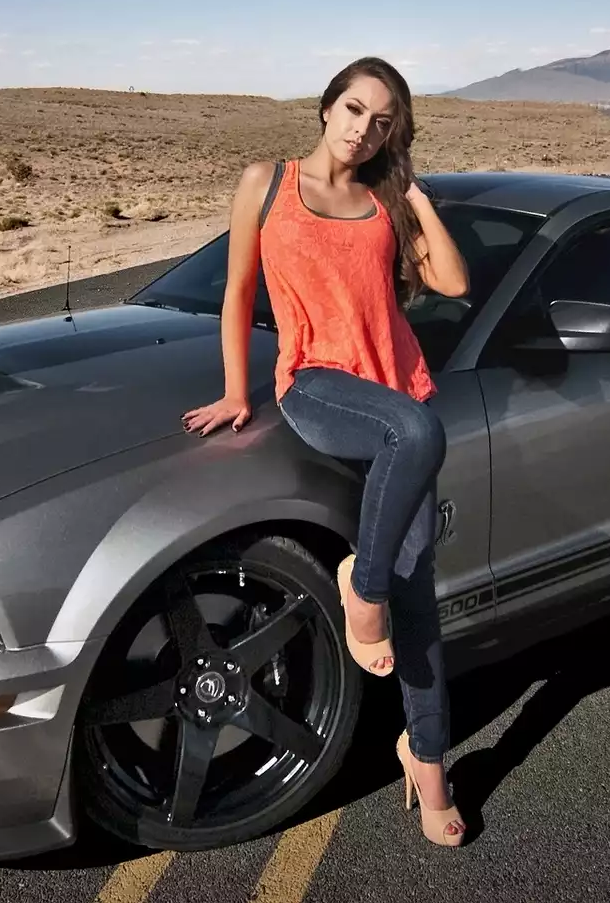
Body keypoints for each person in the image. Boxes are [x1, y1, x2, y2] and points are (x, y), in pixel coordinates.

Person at [180, 56, 472, 848]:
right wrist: (240, 390)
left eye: (383, 122)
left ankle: (430, 757)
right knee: (417, 435)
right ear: (325, 106)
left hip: (393, 384)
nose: (362, 128)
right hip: (315, 382)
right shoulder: (266, 183)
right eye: (353, 108)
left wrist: (411, 189)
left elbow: (450, 279)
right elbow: (240, 290)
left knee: (419, 596)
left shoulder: (382, 198)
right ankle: (360, 587)